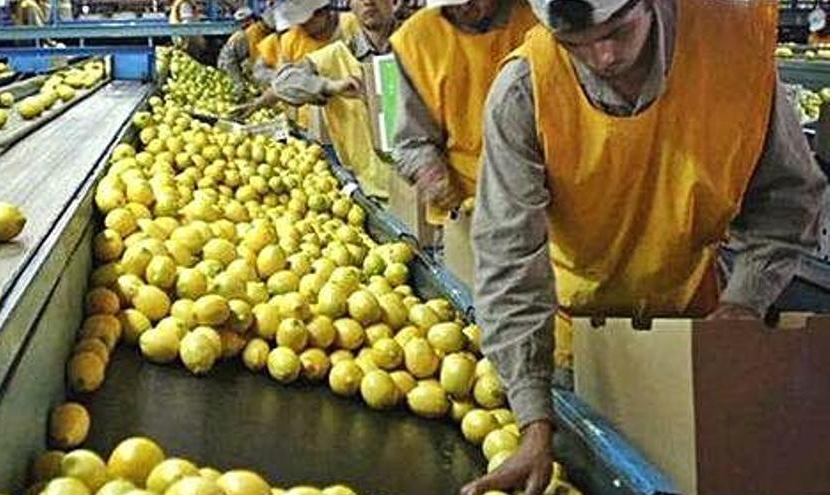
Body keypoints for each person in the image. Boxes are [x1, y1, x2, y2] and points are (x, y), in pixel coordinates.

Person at [464, 1, 827, 494]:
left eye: (618, 29)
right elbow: (508, 261)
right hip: (583, 349)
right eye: (577, 44)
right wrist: (533, 419)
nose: (604, 55)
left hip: (699, 332)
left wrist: (744, 302)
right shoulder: (524, 92)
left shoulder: (733, 46)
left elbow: (786, 198)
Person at [390, 0, 536, 225]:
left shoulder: (537, 22)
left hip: (543, 202)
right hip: (465, 211)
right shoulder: (417, 40)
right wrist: (432, 177)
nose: (463, 7)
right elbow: (412, 141)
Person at [265, 0, 398, 198]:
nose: (368, 2)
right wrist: (330, 86)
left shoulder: (422, 47)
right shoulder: (336, 55)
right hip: (373, 190)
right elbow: (284, 83)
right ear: (351, 5)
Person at [217, 7, 270, 98]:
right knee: (241, 83)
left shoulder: (254, 31)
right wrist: (239, 82)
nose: (245, 24)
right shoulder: (242, 36)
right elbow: (230, 61)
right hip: (229, 62)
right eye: (242, 22)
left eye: (246, 21)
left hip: (238, 60)